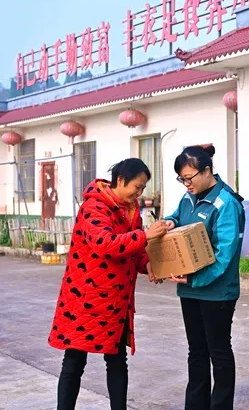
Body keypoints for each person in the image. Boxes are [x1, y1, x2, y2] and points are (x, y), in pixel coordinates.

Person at [49, 158, 168, 410]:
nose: (139, 193)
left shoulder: (131, 208)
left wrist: (148, 265)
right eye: (137, 186)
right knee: (74, 361)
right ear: (120, 181)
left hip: (117, 299)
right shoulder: (94, 206)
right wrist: (146, 235)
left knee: (117, 360)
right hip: (86, 297)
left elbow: (135, 250)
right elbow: (105, 243)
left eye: (143, 188)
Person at [164, 145, 246, 410]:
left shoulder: (226, 203)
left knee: (218, 352)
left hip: (217, 293)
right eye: (181, 179)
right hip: (190, 291)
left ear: (207, 171)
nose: (186, 184)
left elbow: (225, 256)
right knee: (196, 352)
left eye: (189, 178)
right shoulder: (188, 197)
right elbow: (178, 217)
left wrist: (194, 280)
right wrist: (169, 222)